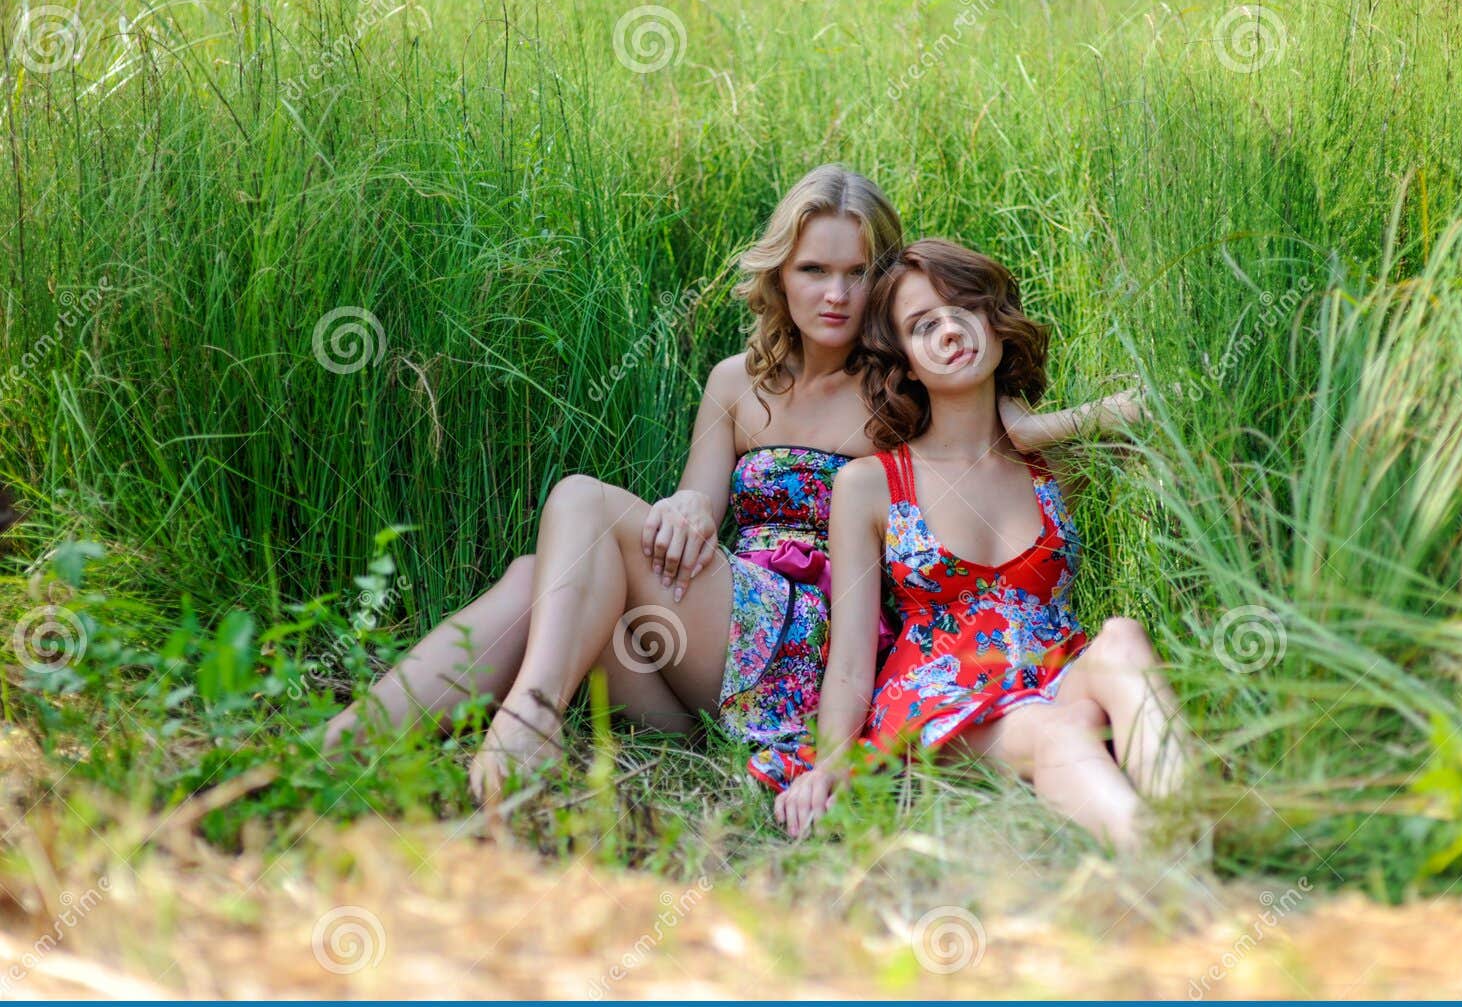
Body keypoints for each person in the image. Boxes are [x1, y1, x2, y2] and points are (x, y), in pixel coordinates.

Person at [322, 164, 904, 804]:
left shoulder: (900, 394)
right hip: (711, 658)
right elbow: (697, 507)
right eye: (814, 270)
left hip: (813, 651)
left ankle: (532, 714)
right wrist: (686, 505)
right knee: (535, 580)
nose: (837, 294)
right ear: (780, 275)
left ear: (885, 281)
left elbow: (991, 439)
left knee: (581, 500)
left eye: (860, 272)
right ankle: (344, 746)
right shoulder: (736, 382)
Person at [773, 239, 1198, 856]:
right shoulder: (871, 483)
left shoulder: (1054, 464)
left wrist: (1029, 428)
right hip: (945, 700)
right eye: (922, 326)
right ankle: (1169, 853)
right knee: (1059, 730)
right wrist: (831, 761)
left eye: (965, 309)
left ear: (996, 326)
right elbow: (850, 652)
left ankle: (1195, 810)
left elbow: (1170, 413)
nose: (949, 331)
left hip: (1056, 669)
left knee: (1124, 638)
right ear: (909, 365)